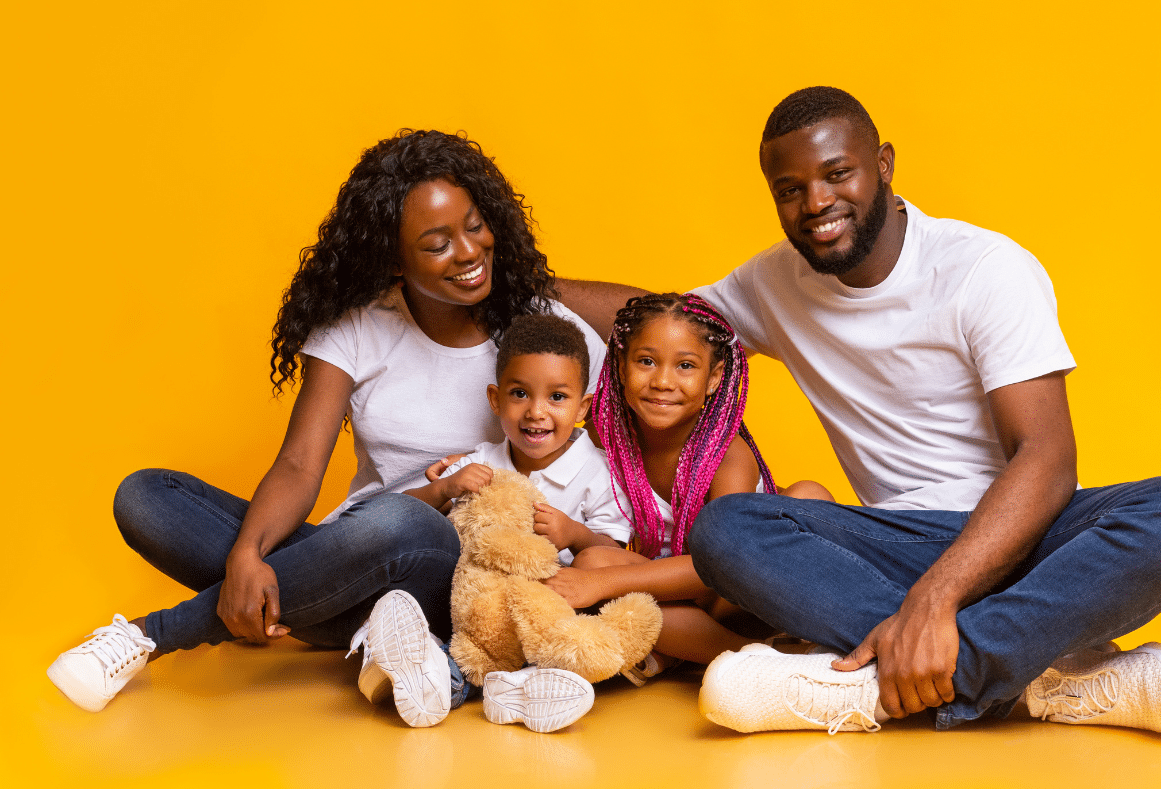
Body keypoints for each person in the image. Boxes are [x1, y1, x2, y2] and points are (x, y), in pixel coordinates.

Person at [558, 87, 1161, 735]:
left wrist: (935, 601)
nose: (816, 203)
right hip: (888, 550)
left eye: (836, 174)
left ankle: (867, 683)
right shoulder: (777, 283)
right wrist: (522, 281)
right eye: (789, 191)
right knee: (727, 529)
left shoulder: (983, 269)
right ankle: (1033, 674)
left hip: (1025, 538)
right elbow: (661, 321)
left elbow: (1048, 461)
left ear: (883, 163)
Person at [48, 129, 606, 731]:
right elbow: (298, 466)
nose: (469, 252)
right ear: (394, 259)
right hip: (356, 558)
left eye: (475, 226)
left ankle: (153, 634)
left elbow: (649, 359)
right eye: (437, 244)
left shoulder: (540, 331)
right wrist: (247, 556)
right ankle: (360, 635)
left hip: (458, 581)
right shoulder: (357, 329)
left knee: (402, 519)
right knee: (146, 498)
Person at [543, 292, 830, 682]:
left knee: (809, 496)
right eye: (646, 361)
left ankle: (731, 653)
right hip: (672, 592)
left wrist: (600, 584)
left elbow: (729, 565)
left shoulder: (727, 455)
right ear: (621, 367)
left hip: (745, 595)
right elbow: (536, 452)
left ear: (713, 379)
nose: (662, 382)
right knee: (592, 561)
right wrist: (467, 467)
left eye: (685, 366)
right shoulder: (604, 430)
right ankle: (728, 656)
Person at [419, 312, 630, 731]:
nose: (536, 412)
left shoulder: (598, 471)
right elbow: (407, 517)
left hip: (553, 608)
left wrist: (575, 533)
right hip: (478, 612)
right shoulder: (480, 462)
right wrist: (443, 490)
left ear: (583, 406)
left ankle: (521, 683)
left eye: (557, 397)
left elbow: (615, 553)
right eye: (520, 394)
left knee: (582, 630)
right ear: (495, 400)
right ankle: (431, 675)